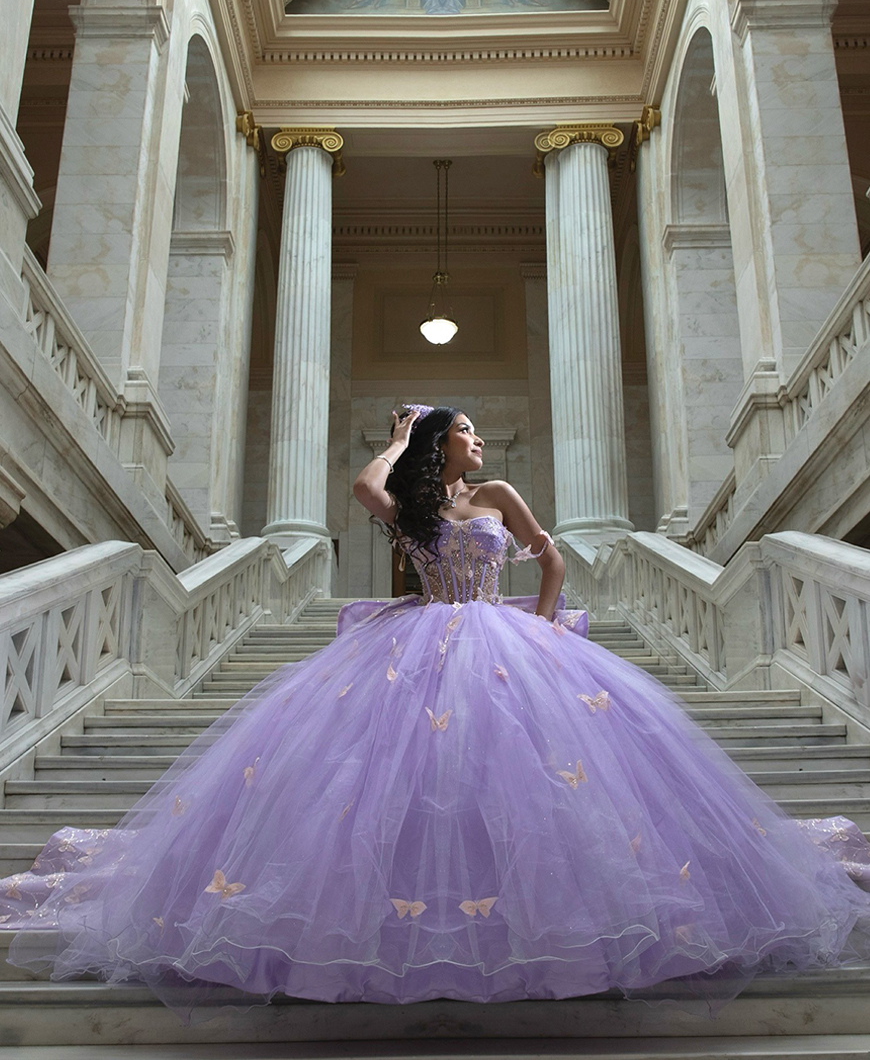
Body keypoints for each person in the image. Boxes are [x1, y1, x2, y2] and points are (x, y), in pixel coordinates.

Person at [1, 405, 870, 1024]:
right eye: (464, 431)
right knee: (397, 783)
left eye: (474, 434)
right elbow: (360, 486)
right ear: (440, 444)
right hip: (417, 643)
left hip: (504, 636)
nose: (478, 440)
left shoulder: (496, 495)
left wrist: (538, 626)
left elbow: (551, 557)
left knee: (524, 779)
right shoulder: (413, 506)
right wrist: (393, 440)